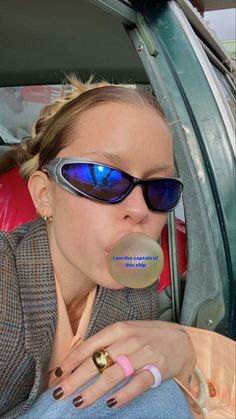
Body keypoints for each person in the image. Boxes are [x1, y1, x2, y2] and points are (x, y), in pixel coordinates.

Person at [0, 76, 206, 419]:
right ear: (44, 195)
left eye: (160, 188)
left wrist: (184, 347)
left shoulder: (135, 285)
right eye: (102, 178)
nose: (140, 210)